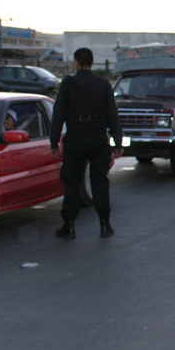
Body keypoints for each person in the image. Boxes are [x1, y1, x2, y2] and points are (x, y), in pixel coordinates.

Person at [50, 48, 124, 239]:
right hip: (98, 139)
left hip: (75, 139)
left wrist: (53, 142)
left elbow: (58, 115)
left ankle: (69, 226)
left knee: (72, 182)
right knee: (100, 182)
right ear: (91, 63)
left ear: (76, 63)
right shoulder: (103, 84)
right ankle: (105, 224)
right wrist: (117, 142)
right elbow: (112, 115)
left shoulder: (69, 84)